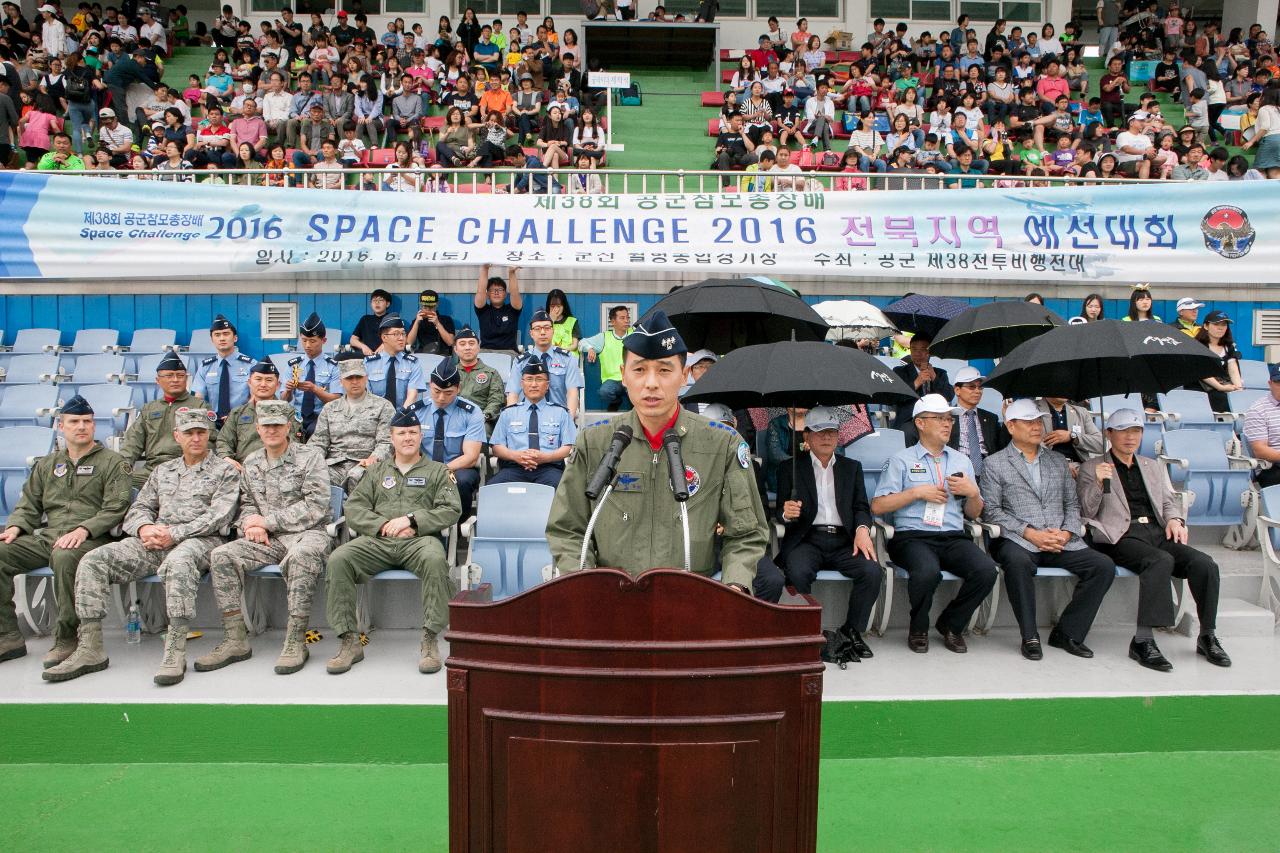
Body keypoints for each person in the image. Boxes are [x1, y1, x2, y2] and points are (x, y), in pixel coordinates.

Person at [546, 310, 767, 589]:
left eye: (664, 370)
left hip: (690, 600)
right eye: (639, 370)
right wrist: (586, 585)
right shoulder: (594, 442)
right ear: (623, 375)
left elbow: (746, 534)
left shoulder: (722, 444)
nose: (651, 383)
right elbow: (567, 529)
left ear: (684, 375)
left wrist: (735, 585)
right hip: (611, 601)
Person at [46, 408, 240, 685]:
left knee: (179, 562)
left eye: (201, 432)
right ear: (177, 436)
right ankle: (90, 647)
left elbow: (219, 515)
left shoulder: (225, 471)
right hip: (154, 540)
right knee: (94, 559)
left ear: (209, 435)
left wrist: (173, 533)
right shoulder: (164, 470)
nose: (196, 438)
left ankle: (175, 649)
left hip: (202, 540)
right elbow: (139, 507)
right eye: (189, 433)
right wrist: (144, 528)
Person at [1078, 409, 1230, 671]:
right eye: (1123, 431)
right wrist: (1097, 483)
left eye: (1136, 431)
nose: (1130, 437)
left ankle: (1208, 635)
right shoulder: (1092, 467)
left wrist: (1175, 520)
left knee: (1205, 563)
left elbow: (1169, 502)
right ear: (1109, 434)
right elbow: (1085, 511)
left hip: (1157, 533)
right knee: (1160, 561)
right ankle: (1143, 640)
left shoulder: (1152, 466)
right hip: (1119, 536)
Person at [324, 406, 461, 676]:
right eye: (402, 433)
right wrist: (383, 525)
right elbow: (353, 508)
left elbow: (450, 510)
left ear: (421, 436)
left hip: (419, 541)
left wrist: (411, 520)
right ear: (392, 437)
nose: (408, 437)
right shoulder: (376, 472)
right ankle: (350, 641)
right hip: (379, 541)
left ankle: (430, 639)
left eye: (413, 432)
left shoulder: (437, 471)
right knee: (339, 559)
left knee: (436, 561)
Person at [198, 399, 332, 675]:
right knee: (222, 555)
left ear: (288, 427)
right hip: (267, 540)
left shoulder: (310, 458)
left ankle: (296, 640)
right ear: (258, 429)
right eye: (266, 426)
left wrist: (267, 521)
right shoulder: (253, 461)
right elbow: (247, 502)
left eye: (277, 425)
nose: (272, 430)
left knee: (302, 557)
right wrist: (251, 524)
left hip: (307, 534)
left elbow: (316, 506)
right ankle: (235, 639)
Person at [0, 396, 131, 668]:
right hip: (50, 536)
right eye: (74, 422)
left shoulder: (113, 462)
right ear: (61, 426)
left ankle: (67, 637)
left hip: (94, 538)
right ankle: (8, 635)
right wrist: (16, 526)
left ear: (95, 426)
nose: (81, 426)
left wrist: (84, 529)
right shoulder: (47, 464)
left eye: (87, 421)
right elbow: (29, 503)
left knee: (65, 556)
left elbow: (116, 508)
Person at [980, 399, 1116, 660]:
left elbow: (1071, 503)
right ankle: (1029, 635)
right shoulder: (994, 464)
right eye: (1029, 422)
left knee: (1102, 566)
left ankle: (1068, 632)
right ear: (1010, 426)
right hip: (1019, 539)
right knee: (1017, 563)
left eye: (1038, 421)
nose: (1036, 427)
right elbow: (992, 511)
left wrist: (1066, 533)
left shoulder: (1057, 461)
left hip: (1060, 538)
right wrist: (1029, 532)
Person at [871, 394, 997, 654]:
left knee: (986, 570)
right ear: (920, 423)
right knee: (927, 571)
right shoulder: (902, 460)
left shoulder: (962, 461)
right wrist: (915, 493)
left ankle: (951, 624)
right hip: (911, 536)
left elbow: (973, 513)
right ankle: (918, 627)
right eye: (939, 418)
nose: (947, 424)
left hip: (952, 535)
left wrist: (973, 493)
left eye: (949, 419)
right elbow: (878, 506)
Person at [776, 406, 882, 661]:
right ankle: (807, 632)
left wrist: (862, 530)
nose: (827, 437)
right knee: (797, 571)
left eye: (832, 432)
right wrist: (785, 513)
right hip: (807, 538)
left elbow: (860, 507)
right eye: (821, 432)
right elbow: (779, 513)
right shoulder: (789, 468)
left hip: (844, 540)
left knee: (872, 571)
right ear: (807, 437)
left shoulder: (851, 467)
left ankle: (851, 632)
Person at [120, 351, 219, 489]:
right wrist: (122, 467)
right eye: (169, 376)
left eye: (180, 375)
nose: (175, 380)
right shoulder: (149, 409)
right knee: (120, 484)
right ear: (158, 380)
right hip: (153, 469)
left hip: (187, 467)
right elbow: (132, 443)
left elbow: (210, 441)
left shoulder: (199, 406)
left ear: (186, 379)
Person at [309, 352, 394, 492]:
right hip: (334, 465)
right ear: (341, 381)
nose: (354, 381)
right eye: (349, 378)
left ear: (366, 378)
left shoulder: (383, 406)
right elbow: (319, 442)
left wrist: (374, 458)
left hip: (366, 463)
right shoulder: (330, 408)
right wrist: (314, 463)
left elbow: (386, 442)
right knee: (313, 477)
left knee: (358, 477)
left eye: (358, 377)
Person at [408, 360, 486, 513]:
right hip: (422, 465)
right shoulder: (417, 411)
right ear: (430, 385)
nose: (441, 398)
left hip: (457, 467)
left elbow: (471, 456)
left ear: (458, 388)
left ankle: (458, 525)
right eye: (436, 391)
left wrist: (441, 470)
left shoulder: (471, 412)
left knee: (462, 481)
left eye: (448, 393)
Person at [904, 367, 1007, 476]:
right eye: (972, 387)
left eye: (980, 387)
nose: (977, 391)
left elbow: (1002, 446)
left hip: (988, 471)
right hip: (955, 471)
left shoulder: (991, 418)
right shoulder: (946, 417)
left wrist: (1006, 419)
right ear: (957, 390)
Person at [489, 361, 576, 487]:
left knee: (563, 489)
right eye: (529, 379)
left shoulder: (561, 413)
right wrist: (516, 456)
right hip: (514, 469)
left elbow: (568, 447)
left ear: (547, 385)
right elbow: (497, 447)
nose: (534, 384)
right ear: (522, 384)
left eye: (539, 379)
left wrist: (546, 457)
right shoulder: (508, 413)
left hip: (549, 469)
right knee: (492, 489)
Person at [216, 357, 300, 465]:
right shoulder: (237, 413)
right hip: (242, 469)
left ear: (278, 385)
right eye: (258, 379)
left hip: (278, 469)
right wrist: (227, 458)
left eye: (269, 380)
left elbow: (294, 444)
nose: (263, 384)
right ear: (250, 382)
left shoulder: (289, 412)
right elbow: (224, 441)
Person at [506, 309, 583, 417]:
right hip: (527, 418)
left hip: (558, 417)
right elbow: (513, 394)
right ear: (531, 333)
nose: (542, 332)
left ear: (553, 331)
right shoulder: (521, 361)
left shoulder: (567, 358)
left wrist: (568, 421)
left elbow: (572, 392)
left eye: (547, 328)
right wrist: (512, 421)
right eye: (537, 329)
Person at [282, 312, 340, 439]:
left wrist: (315, 389)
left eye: (313, 341)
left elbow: (336, 400)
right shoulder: (293, 365)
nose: (308, 345)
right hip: (296, 417)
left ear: (323, 340)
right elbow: (283, 400)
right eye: (304, 340)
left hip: (322, 418)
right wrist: (288, 390)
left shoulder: (333, 367)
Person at [192, 314, 256, 427]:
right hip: (213, 421)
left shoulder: (250, 365)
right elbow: (198, 398)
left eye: (226, 334)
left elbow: (255, 396)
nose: (222, 338)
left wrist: (237, 416)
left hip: (243, 420)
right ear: (212, 339)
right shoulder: (205, 366)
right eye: (217, 335)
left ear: (235, 338)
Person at [451, 327, 506, 435]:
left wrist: (483, 416)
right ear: (455, 349)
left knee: (482, 430)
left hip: (482, 419)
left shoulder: (491, 373)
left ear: (478, 347)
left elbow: (496, 401)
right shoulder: (450, 373)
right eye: (462, 344)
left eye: (471, 343)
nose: (467, 347)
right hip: (453, 418)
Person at [364, 314, 424, 410]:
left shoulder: (412, 363)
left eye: (403, 333)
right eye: (396, 334)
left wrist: (399, 418)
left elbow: (412, 395)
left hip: (403, 416)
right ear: (384, 338)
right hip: (375, 416)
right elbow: (366, 396)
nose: (401, 338)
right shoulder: (369, 363)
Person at [580, 305, 634, 412]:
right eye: (622, 318)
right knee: (604, 392)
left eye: (627, 318)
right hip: (612, 380)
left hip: (632, 378)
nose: (626, 321)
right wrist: (590, 348)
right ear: (613, 322)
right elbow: (582, 342)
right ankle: (616, 402)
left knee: (638, 392)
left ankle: (635, 408)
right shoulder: (604, 337)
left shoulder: (635, 334)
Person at [892, 333, 953, 427]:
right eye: (914, 349)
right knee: (909, 432)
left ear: (930, 352)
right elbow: (895, 397)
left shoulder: (940, 373)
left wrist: (934, 377)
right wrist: (916, 383)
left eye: (923, 349)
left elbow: (948, 396)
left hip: (936, 420)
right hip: (909, 420)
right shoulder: (900, 372)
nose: (917, 353)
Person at [1193, 311, 1242, 413]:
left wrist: (1238, 389)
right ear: (1206, 326)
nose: (1220, 328)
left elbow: (1233, 370)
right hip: (1200, 388)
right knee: (1221, 398)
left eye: (1224, 325)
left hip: (1223, 386)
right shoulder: (1197, 346)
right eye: (1216, 324)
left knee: (1241, 398)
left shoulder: (1229, 346)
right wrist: (1220, 387)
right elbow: (1202, 372)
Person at [1035, 396, 1104, 464]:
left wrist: (1072, 436)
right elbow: (1028, 443)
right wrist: (1061, 465)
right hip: (1047, 466)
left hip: (1079, 467)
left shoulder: (1081, 412)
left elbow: (1101, 444)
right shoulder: (1033, 409)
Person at [473, 264, 523, 351]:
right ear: (487, 294)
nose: (496, 292)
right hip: (486, 353)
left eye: (500, 290)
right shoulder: (483, 310)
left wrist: (511, 272)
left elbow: (515, 292)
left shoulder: (513, 310)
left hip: (509, 353)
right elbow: (480, 291)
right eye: (492, 290)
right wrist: (485, 268)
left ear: (505, 294)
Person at [407, 289, 456, 356]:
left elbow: (450, 342)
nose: (428, 309)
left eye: (431, 307)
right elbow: (409, 343)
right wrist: (417, 322)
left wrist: (437, 323)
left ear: (436, 305)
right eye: (425, 307)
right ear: (421, 305)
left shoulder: (446, 320)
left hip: (442, 355)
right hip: (423, 355)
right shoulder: (417, 321)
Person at [350, 288, 393, 355]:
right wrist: (363, 347)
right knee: (340, 357)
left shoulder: (392, 319)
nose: (377, 303)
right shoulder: (365, 319)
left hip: (386, 354)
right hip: (366, 355)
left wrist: (384, 346)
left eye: (380, 300)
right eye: (374, 300)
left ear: (387, 304)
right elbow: (353, 340)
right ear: (371, 304)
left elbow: (399, 338)